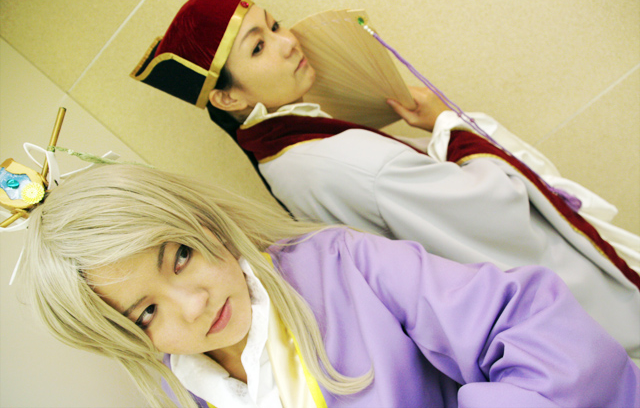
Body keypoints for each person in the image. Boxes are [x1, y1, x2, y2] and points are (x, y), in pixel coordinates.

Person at [131, 0, 640, 358]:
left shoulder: (284, 160)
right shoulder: (332, 161)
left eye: (275, 25)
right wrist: (448, 126)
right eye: (258, 47)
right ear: (228, 98)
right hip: (566, 313)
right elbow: (498, 213)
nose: (288, 43)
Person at [17, 163, 640, 408]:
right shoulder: (181, 391)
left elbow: (543, 338)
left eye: (179, 257)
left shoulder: (342, 267)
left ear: (205, 226)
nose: (193, 304)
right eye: (146, 313)